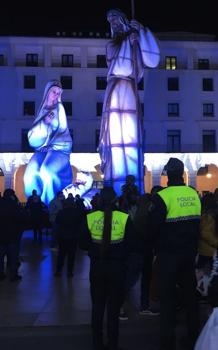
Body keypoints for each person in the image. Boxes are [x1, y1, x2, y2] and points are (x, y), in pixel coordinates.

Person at [98, 8, 160, 195]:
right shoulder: (111, 45)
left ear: (124, 21)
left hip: (131, 91)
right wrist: (130, 41)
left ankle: (133, 180)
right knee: (116, 137)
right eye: (111, 22)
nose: (114, 23)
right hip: (116, 89)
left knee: (132, 136)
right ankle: (116, 183)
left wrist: (141, 32)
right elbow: (122, 64)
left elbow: (153, 60)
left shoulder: (135, 40)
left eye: (116, 20)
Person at [150, 157, 201, 350]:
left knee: (168, 299)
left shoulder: (162, 197)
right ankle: (194, 338)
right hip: (189, 254)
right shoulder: (193, 194)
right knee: (190, 297)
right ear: (181, 173)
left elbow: (152, 227)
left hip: (168, 255)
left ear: (167, 174)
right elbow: (198, 222)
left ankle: (167, 342)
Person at [79, 186, 135, 350]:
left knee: (97, 307)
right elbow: (131, 244)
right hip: (117, 268)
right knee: (113, 309)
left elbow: (82, 244)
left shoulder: (90, 217)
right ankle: (113, 344)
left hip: (97, 267)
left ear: (99, 199)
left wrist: (94, 249)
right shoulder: (124, 217)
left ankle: (97, 343)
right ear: (115, 200)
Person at [23, 79, 72, 205]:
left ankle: (50, 204)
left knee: (47, 171)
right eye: (54, 92)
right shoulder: (42, 110)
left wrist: (52, 144)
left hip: (58, 148)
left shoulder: (59, 108)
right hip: (42, 149)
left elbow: (63, 129)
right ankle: (34, 203)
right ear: (48, 92)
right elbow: (33, 135)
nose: (56, 94)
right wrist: (44, 123)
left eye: (58, 92)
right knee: (30, 175)